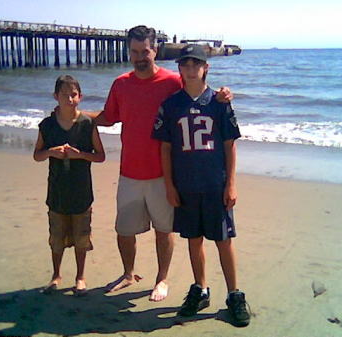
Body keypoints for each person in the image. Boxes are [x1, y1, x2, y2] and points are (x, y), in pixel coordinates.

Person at [86, 25, 234, 302]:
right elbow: (109, 116)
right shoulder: (121, 83)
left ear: (156, 51)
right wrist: (79, 115)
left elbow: (199, 91)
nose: (140, 57)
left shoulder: (171, 82)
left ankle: (161, 279)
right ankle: (128, 273)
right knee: (124, 231)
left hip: (165, 175)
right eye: (135, 51)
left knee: (164, 230)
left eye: (146, 51)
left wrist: (224, 95)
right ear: (129, 52)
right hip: (129, 171)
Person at [152, 44, 250, 326]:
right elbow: (166, 148)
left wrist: (231, 183)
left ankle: (234, 294)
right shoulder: (171, 105)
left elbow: (230, 145)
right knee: (194, 240)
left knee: (223, 240)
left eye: (197, 64)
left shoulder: (219, 103)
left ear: (206, 67)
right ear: (179, 68)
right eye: (185, 64)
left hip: (214, 184)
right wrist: (170, 185)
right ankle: (201, 288)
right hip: (186, 186)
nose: (191, 68)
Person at [33, 75, 105, 295]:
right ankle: (56, 275)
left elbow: (100, 156)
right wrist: (51, 153)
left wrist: (80, 155)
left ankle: (80, 277)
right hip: (56, 193)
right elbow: (37, 155)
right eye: (65, 95)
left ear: (80, 97)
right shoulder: (47, 125)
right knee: (56, 238)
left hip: (82, 193)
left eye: (74, 95)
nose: (70, 99)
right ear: (56, 97)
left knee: (82, 238)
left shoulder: (87, 124)